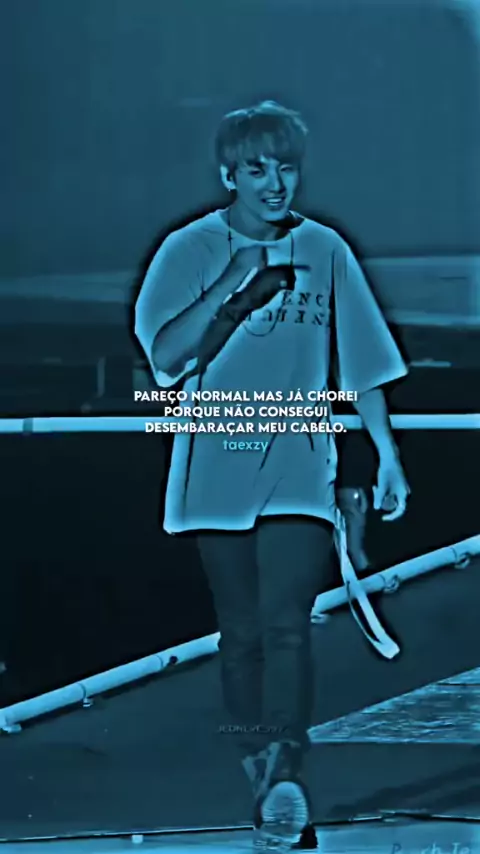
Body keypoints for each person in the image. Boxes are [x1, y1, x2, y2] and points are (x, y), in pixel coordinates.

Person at [135, 101, 410, 851]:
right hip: (215, 466)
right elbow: (166, 357)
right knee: (242, 634)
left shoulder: (325, 248)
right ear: (229, 175)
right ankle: (261, 777)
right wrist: (235, 284)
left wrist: (387, 454)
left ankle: (287, 768)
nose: (274, 183)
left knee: (288, 623)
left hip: (300, 463)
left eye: (285, 167)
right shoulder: (188, 249)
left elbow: (363, 362)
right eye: (257, 169)